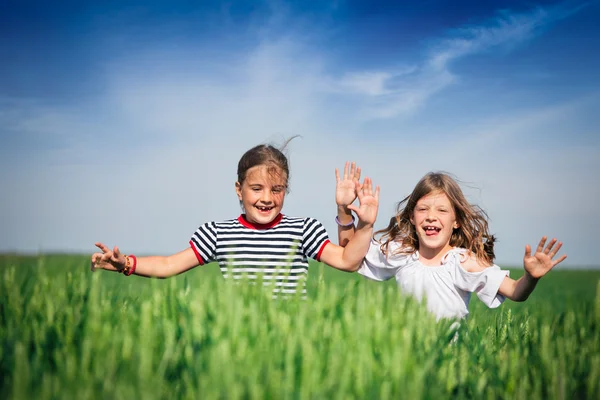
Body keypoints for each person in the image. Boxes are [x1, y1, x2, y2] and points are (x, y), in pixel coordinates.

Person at [91, 139, 380, 299]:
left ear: (286, 190)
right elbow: (169, 265)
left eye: (276, 189)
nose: (267, 198)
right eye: (256, 188)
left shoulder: (302, 230)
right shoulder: (218, 234)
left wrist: (357, 219)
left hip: (293, 337)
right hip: (240, 337)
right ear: (238, 190)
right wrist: (126, 263)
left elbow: (348, 261)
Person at [334, 163, 567, 319]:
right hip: (405, 357)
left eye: (442, 210)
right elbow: (349, 254)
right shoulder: (401, 254)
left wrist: (531, 277)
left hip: (448, 363)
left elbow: (516, 292)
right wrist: (345, 210)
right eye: (423, 209)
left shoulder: (462, 262)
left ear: (456, 220)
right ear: (412, 218)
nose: (431, 216)